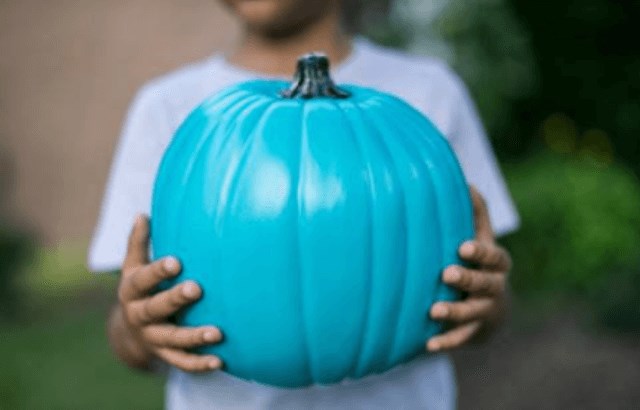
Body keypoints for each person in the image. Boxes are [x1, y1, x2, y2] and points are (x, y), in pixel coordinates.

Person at [88, 0, 518, 408]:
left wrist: (488, 306)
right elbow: (128, 329)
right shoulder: (168, 109)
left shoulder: (431, 93)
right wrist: (138, 329)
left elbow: (485, 292)